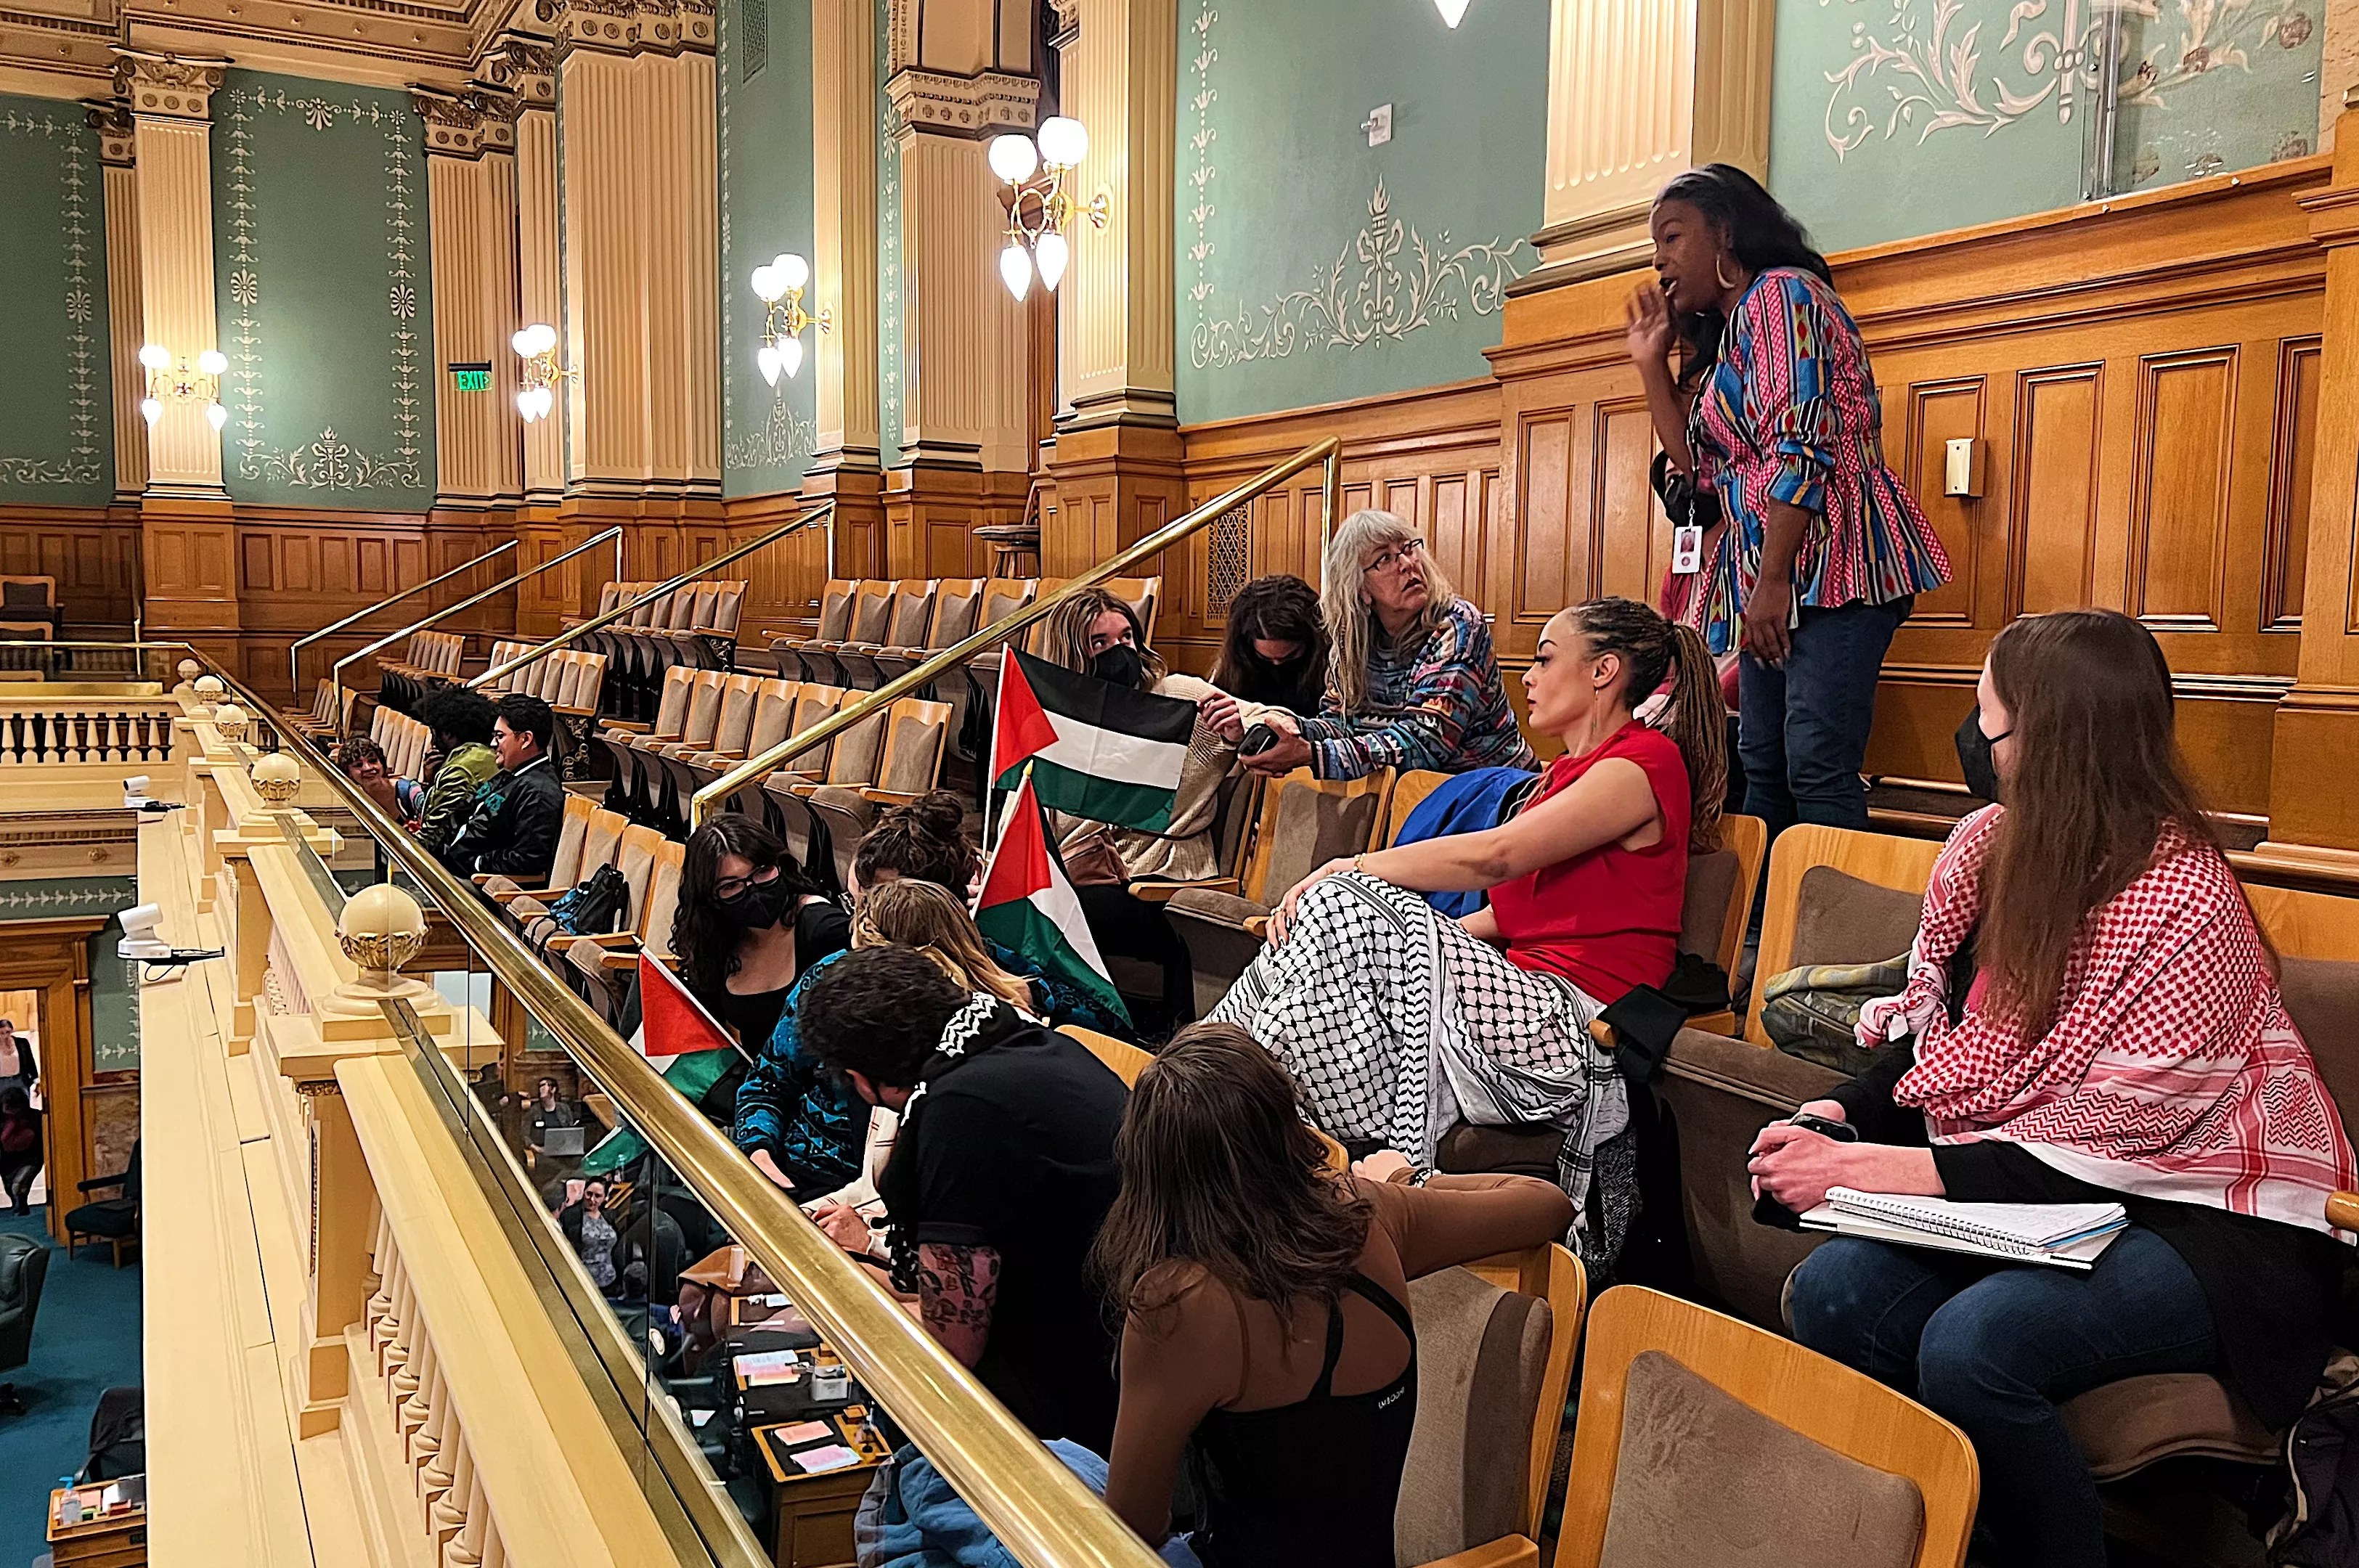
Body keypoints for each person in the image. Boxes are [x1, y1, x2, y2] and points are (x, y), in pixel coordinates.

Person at [1751, 610, 2357, 1568]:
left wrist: (1871, 1167)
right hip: (2045, 1188)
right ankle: (1935, 1543)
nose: (1972, 740)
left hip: (2212, 1215)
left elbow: (2114, 1145)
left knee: (1975, 1344)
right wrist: (1843, 1112)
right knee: (1834, 1295)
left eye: (1984, 719)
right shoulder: (1998, 851)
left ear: (2046, 739)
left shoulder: (2185, 900)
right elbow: (1949, 1041)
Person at [1208, 596, 1724, 1267]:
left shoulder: (1642, 764)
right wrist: (1366, 935)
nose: (1528, 678)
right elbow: (1495, 918)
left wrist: (1352, 871)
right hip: (1511, 996)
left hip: (1575, 1022)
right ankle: (1225, 1085)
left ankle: (1240, 1109)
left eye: (1544, 659)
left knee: (1345, 895)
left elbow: (1495, 857)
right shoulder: (1557, 779)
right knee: (1337, 919)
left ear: (1603, 671)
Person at [1096, 1022, 1574, 1567]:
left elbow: (1134, 1524)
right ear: (1285, 1126)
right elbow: (1546, 1203)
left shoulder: (1177, 1302)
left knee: (1026, 1479)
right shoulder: (1373, 1215)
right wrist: (1407, 1179)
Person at [1625, 163, 1950, 836]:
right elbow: (1700, 474)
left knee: (1815, 763)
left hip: (1835, 567)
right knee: (1761, 759)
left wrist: (1771, 582)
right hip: (1773, 576)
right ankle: (1763, 927)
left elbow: (1801, 446)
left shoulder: (1781, 296)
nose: (1659, 261)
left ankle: (1825, 933)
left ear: (1725, 234)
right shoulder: (1737, 324)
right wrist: (1651, 363)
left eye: (1672, 237)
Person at [794, 944, 1129, 1450]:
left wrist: (832, 1285)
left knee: (802, 1327)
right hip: (1110, 1347)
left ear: (861, 1080)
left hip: (1063, 1407)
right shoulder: (1019, 1040)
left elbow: (954, 1344)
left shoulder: (959, 1113)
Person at [736, 878, 1119, 1201]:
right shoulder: (828, 983)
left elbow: (1111, 1019)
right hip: (808, 1172)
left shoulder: (989, 1039)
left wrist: (1033, 994)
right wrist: (759, 1151)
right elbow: (768, 1082)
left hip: (904, 1201)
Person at [1039, 587, 1234, 1037]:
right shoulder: (1065, 721)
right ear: (1074, 656)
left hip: (1165, 882)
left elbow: (1264, 721)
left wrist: (1244, 724)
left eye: (1126, 638)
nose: (1119, 651)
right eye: (1099, 643)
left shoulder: (1176, 697)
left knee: (1065, 910)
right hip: (1089, 874)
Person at [1210, 510, 1533, 782]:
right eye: (1385, 560)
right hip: (1413, 797)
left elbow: (1425, 743)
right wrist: (1290, 729)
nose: (1407, 564)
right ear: (1359, 588)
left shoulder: (1456, 624)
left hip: (1489, 791)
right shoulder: (1352, 637)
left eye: (1408, 548)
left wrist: (1311, 754)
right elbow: (1339, 723)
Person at [850, 801, 1129, 1036]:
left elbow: (1111, 1019)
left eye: (887, 893)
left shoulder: (999, 942)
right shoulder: (848, 962)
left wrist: (1034, 992)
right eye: (869, 890)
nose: (869, 904)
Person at [674, 814, 848, 1050]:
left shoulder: (825, 929)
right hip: (756, 1078)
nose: (753, 889)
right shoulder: (716, 937)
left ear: (780, 865)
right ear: (711, 899)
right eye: (731, 885)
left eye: (762, 872)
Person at [441, 693, 565, 883]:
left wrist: (477, 864)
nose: (492, 744)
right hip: (451, 865)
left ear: (525, 739)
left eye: (500, 736)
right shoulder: (511, 773)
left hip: (477, 884)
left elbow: (528, 859)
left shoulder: (539, 792)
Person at [1207, 573, 1329, 716]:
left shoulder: (1328, 668)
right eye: (1264, 658)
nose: (1277, 664)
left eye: (1290, 657)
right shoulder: (1237, 664)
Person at [411, 688, 502, 859]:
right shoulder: (483, 755)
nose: (432, 741)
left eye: (434, 733)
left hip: (460, 861)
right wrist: (431, 779)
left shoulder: (459, 770)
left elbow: (431, 836)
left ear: (448, 734)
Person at [556, 1177, 621, 1296]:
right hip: (583, 1282)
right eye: (589, 1194)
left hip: (610, 1282)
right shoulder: (571, 1216)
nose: (592, 1199)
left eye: (598, 1196)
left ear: (605, 1197)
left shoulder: (608, 1216)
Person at [333, 736, 417, 827]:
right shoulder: (352, 800)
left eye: (373, 761)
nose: (367, 768)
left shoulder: (409, 791)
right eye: (358, 765)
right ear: (349, 773)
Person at [0, 1088, 40, 1216]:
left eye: (14, 1108)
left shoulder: (35, 1118)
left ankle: (21, 1209)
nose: (11, 1111)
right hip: (7, 1160)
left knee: (19, 1186)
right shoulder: (2, 1121)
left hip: (31, 1158)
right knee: (10, 1187)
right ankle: (19, 1207)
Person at [526, 1077, 581, 1148]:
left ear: (553, 1089)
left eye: (544, 1085)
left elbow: (570, 1131)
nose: (541, 1089)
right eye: (540, 1086)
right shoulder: (534, 1110)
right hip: (543, 1150)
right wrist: (535, 1148)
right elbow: (525, 1135)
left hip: (562, 1148)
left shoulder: (564, 1108)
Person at [0, 1019, 36, 1106]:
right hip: (2, 1082)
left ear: (12, 1030)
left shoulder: (22, 1043)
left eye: (8, 1032)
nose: (5, 1035)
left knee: (23, 1109)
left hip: (20, 1080)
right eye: (2, 1033)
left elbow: (30, 1061)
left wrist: (35, 1079)